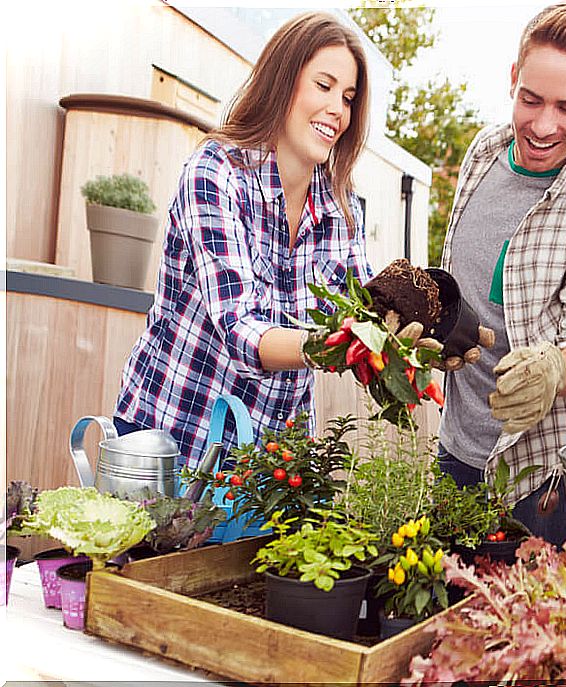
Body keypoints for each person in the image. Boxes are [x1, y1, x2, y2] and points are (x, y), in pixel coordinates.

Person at [113, 12, 377, 464]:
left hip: (270, 468)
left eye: (349, 97)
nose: (338, 109)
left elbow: (364, 305)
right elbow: (239, 327)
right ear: (283, 82)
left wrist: (412, 338)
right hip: (174, 442)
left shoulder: (340, 207)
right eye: (324, 85)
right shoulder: (216, 174)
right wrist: (339, 346)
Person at [436, 2, 566, 544]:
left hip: (539, 480)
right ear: (513, 78)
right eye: (530, 99)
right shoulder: (483, 152)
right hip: (456, 450)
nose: (543, 125)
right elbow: (467, 287)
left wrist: (554, 367)